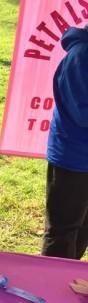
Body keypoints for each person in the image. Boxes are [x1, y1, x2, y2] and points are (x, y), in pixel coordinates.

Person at [42, 26, 88, 260]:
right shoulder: (80, 55)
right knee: (63, 232)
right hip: (73, 160)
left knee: (82, 229)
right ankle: (50, 287)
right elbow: (82, 113)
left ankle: (69, 281)